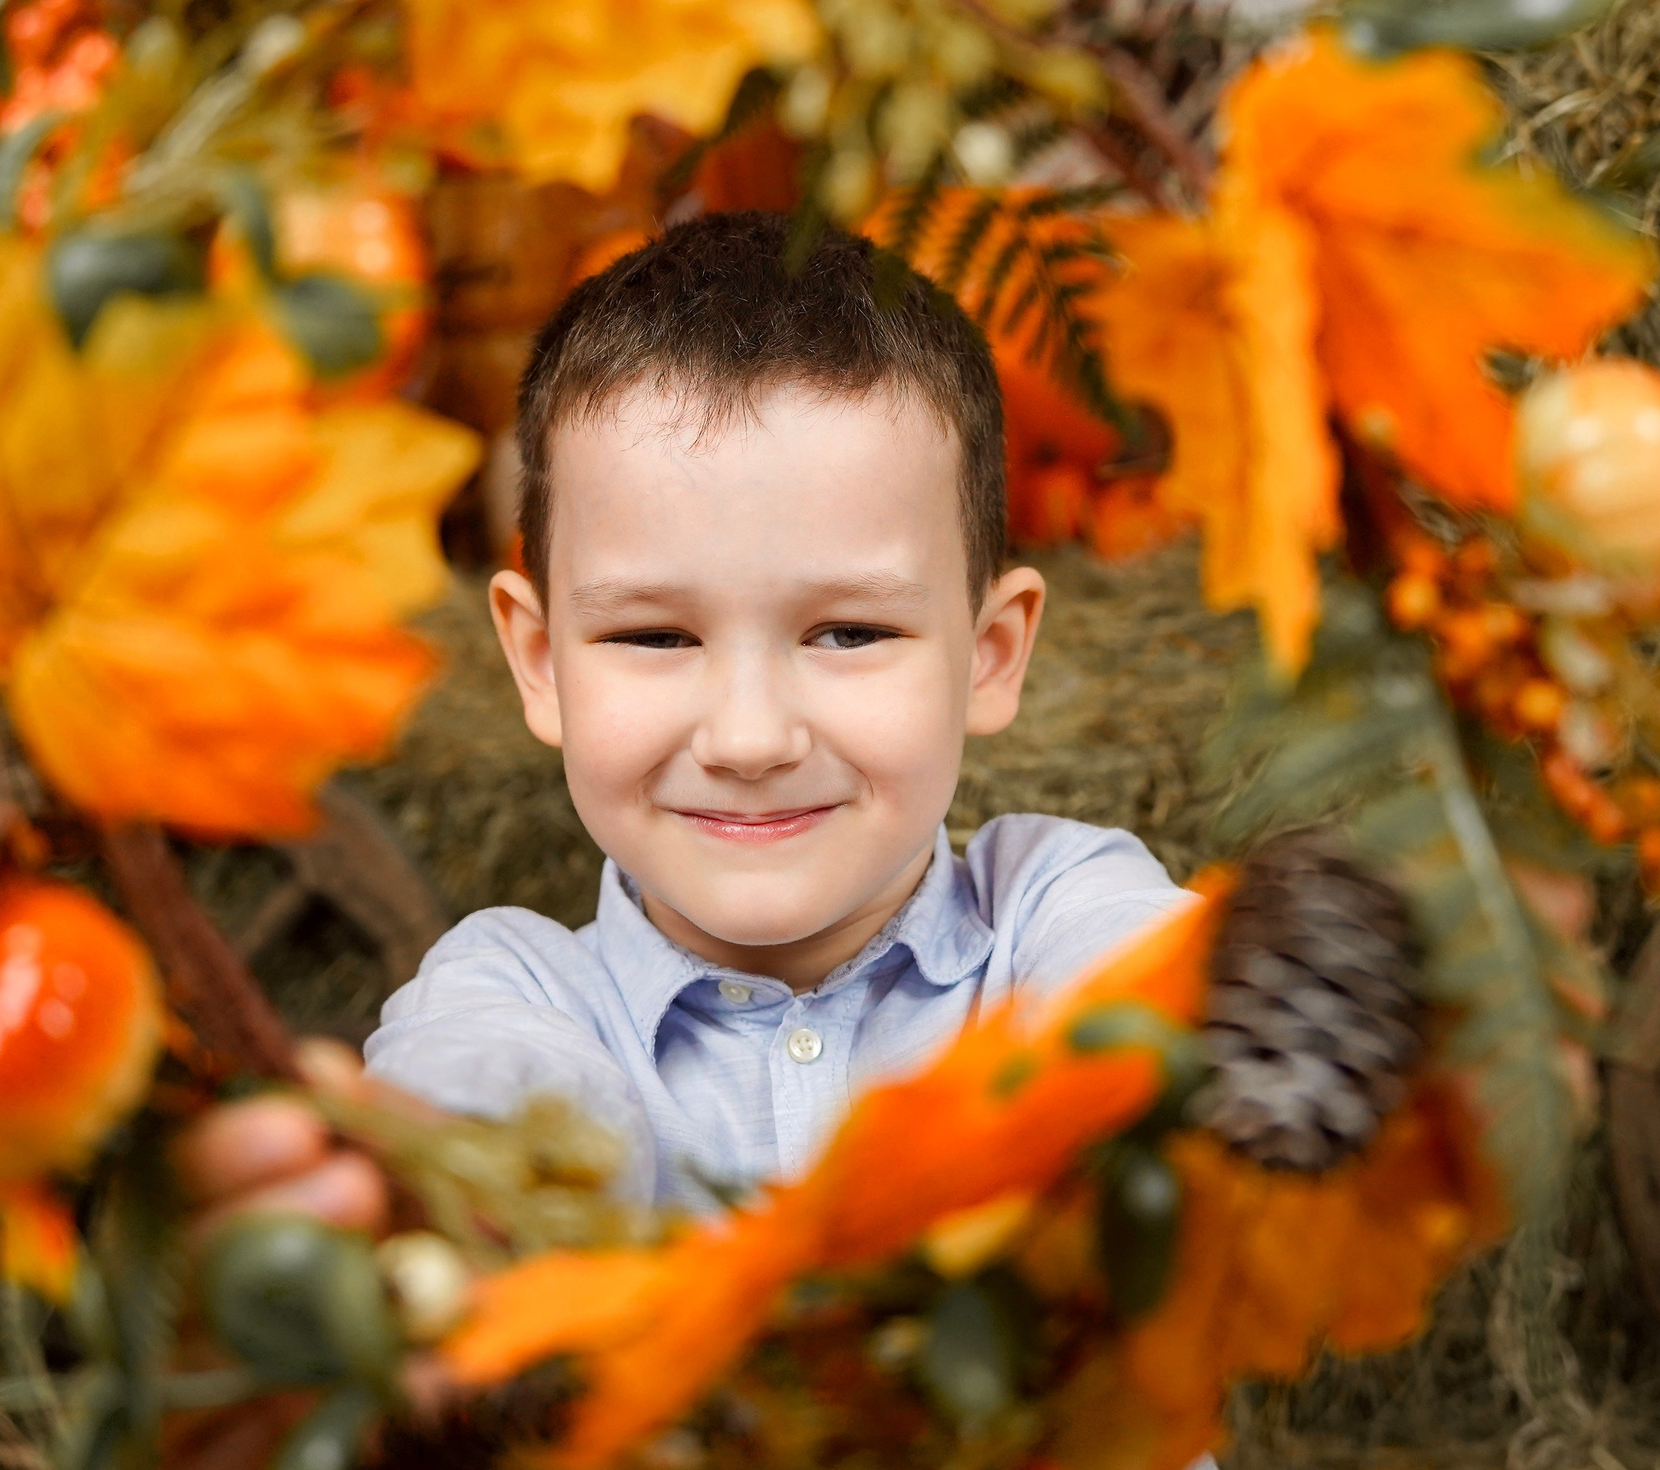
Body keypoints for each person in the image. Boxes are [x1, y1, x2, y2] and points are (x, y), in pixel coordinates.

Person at [179, 211, 1190, 1227]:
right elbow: (497, 1104)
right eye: (656, 638)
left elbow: (1175, 1007)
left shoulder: (1051, 906)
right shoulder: (514, 986)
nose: (749, 740)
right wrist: (453, 1184)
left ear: (990, 653)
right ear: (538, 662)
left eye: (846, 632)